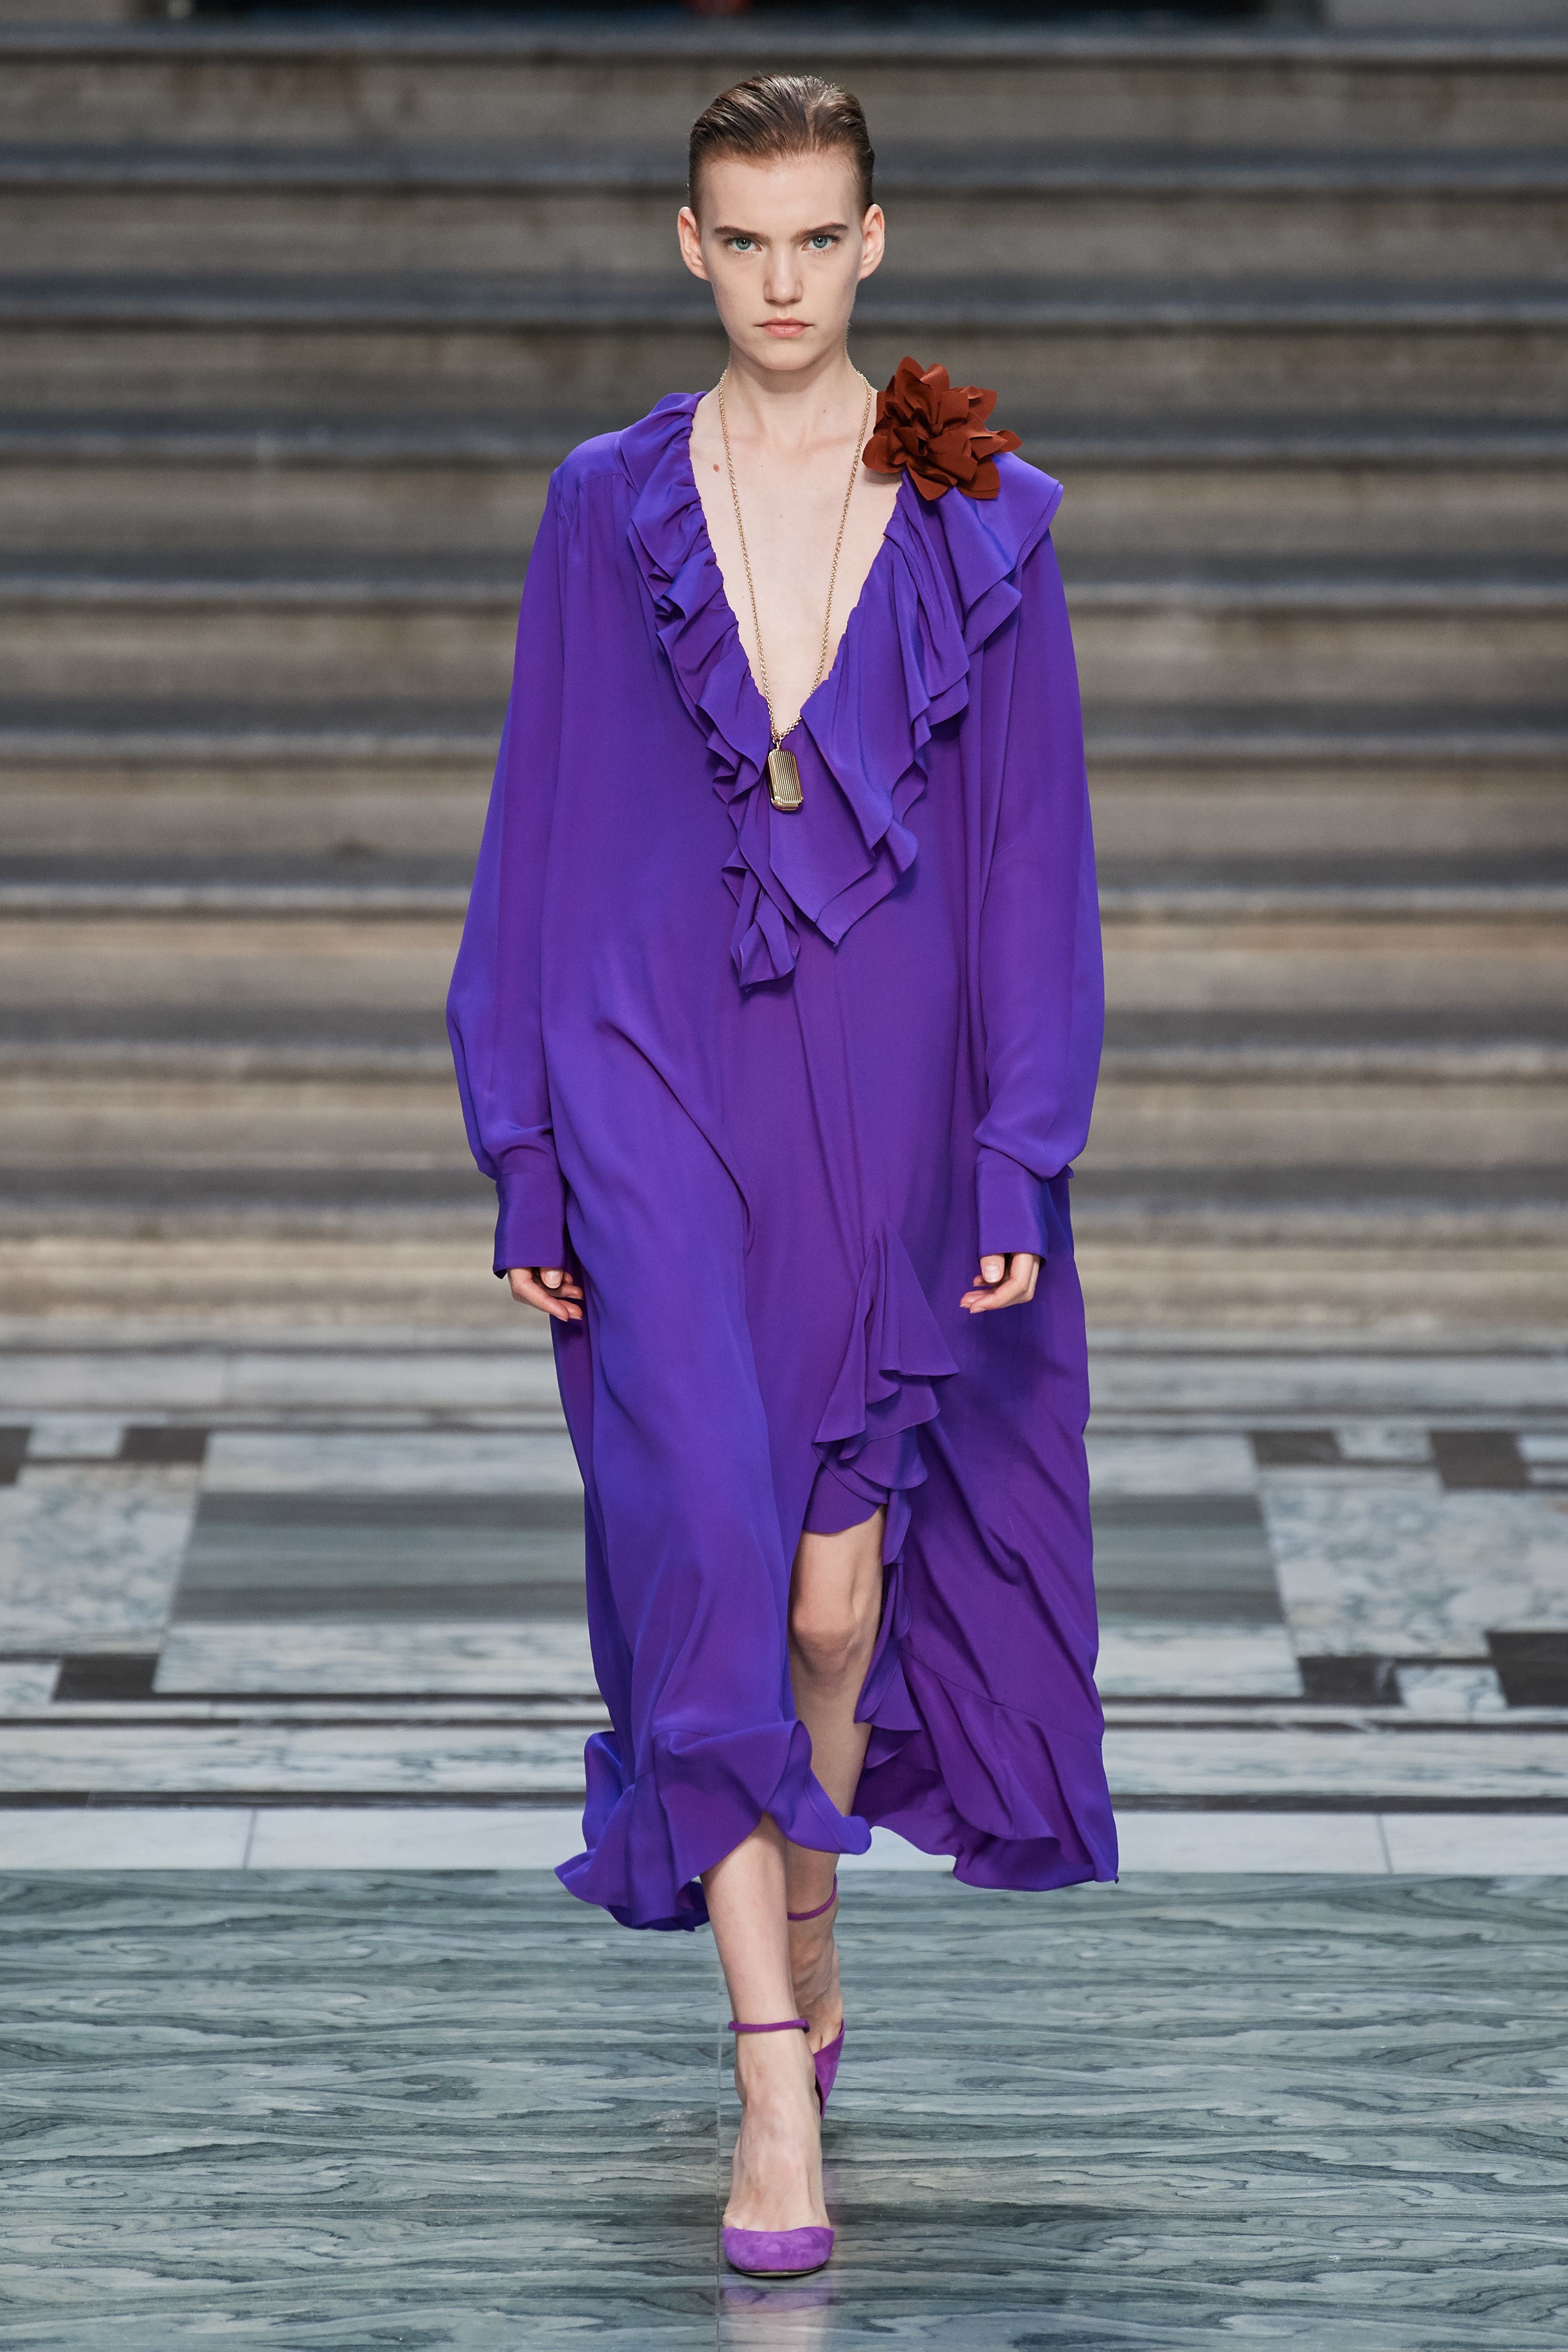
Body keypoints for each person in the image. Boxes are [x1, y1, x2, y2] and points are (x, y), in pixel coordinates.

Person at [447, 72, 1116, 2280]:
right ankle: (766, 2084)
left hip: (885, 1090)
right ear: (689, 245)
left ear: (871, 240)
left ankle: (809, 1899)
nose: (780, 282)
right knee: (707, 1560)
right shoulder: (603, 505)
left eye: (815, 238)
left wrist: (1016, 1141)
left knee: (836, 1602)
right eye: (742, 241)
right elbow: (538, 810)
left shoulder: (978, 514)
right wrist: (525, 1144)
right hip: (644, 1063)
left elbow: (1029, 855)